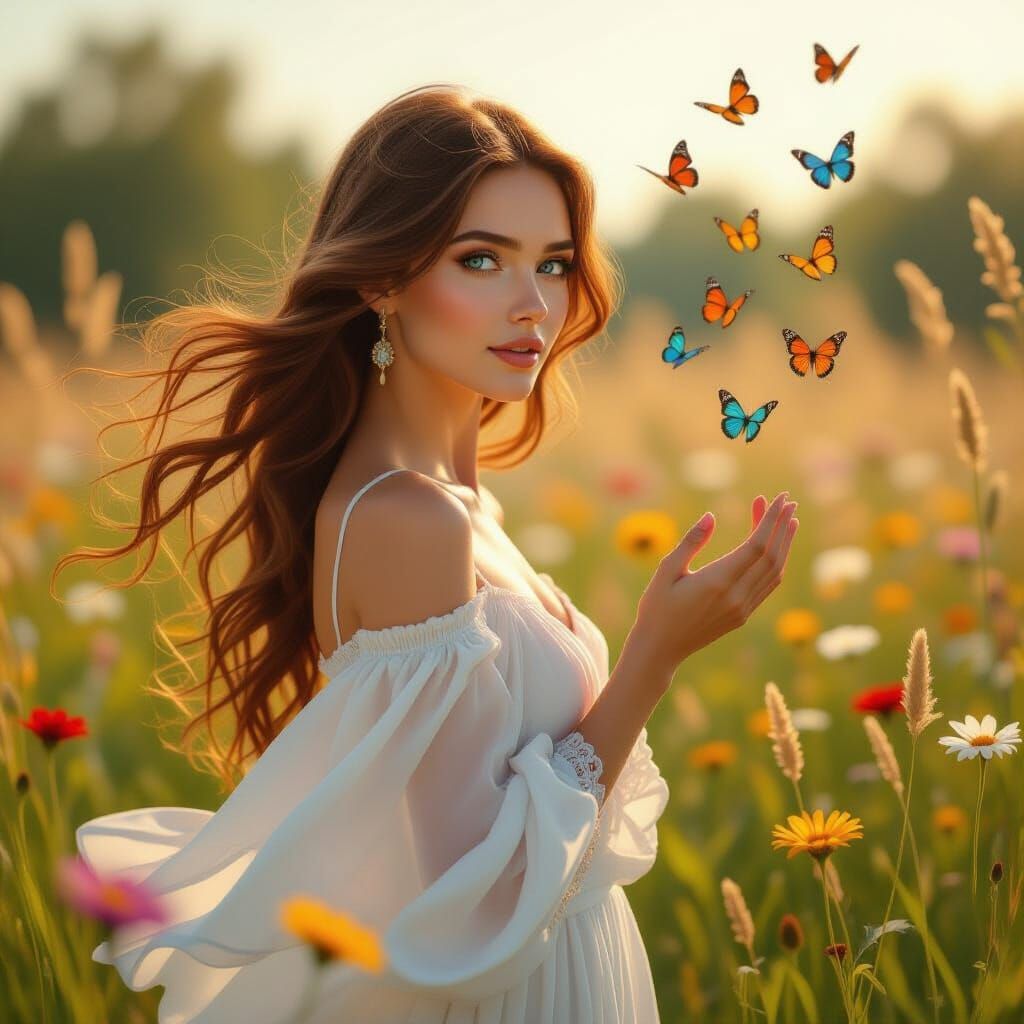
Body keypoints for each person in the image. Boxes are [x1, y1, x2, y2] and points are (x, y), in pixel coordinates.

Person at [66, 83, 799, 1023]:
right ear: (382, 277)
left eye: (554, 263)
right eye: (483, 260)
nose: (533, 304)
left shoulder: (457, 497)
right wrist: (655, 653)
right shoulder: (408, 518)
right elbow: (478, 890)